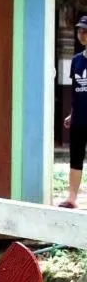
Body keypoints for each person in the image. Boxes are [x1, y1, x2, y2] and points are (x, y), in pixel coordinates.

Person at [61, 16, 87, 208]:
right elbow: (77, 90)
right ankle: (71, 198)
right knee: (75, 158)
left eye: (85, 31)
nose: (81, 35)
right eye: (79, 31)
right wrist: (72, 113)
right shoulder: (76, 60)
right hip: (79, 118)